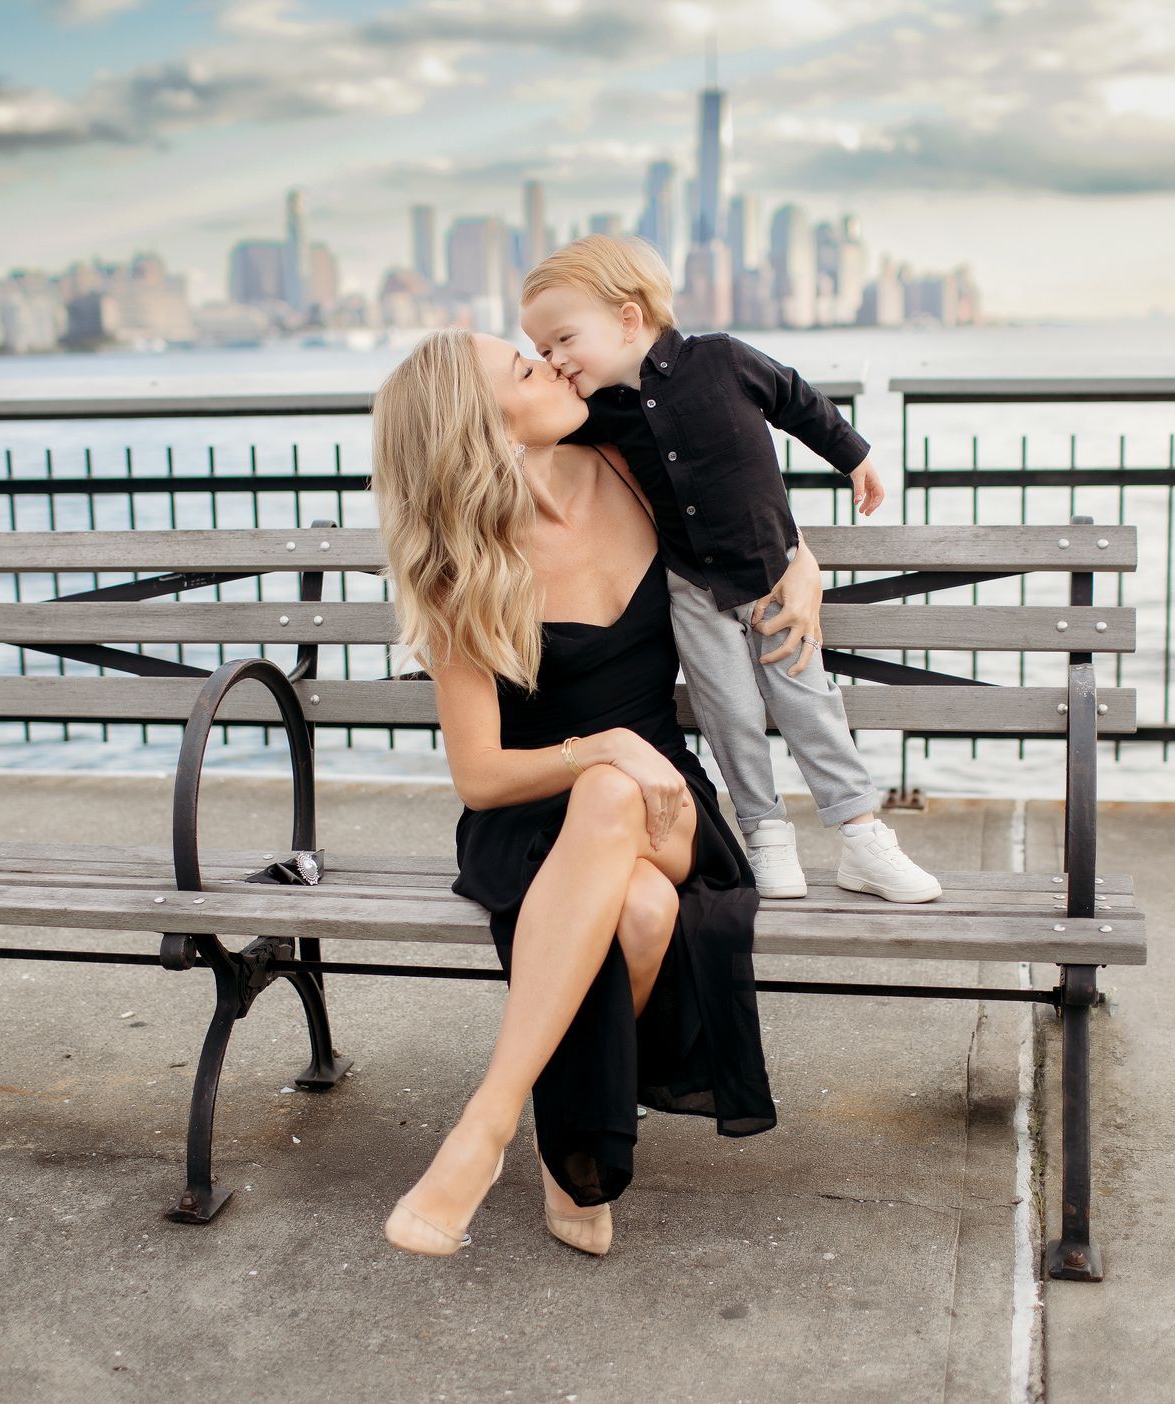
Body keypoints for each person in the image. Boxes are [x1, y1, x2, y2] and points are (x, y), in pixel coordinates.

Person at [370, 328, 778, 1259]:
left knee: (619, 806)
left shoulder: (632, 461)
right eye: (522, 368)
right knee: (635, 907)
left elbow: (751, 490)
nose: (550, 364)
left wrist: (796, 560)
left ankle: (487, 1124)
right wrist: (601, 747)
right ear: (485, 429)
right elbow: (479, 776)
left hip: (671, 804)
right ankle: (572, 1161)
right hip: (528, 820)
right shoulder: (461, 566)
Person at [520, 234, 942, 904]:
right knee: (730, 714)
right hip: (693, 591)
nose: (555, 360)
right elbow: (521, 431)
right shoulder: (599, 413)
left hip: (776, 581)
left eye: (564, 340)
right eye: (542, 352)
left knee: (810, 707)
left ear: (629, 318)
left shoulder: (722, 359)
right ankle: (765, 835)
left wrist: (854, 457)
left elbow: (798, 401)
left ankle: (863, 838)